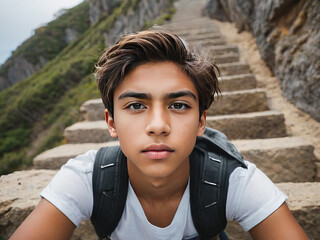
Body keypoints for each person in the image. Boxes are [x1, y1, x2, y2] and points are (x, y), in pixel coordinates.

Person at [10, 29, 308, 240]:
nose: (158, 125)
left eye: (178, 105)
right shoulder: (86, 178)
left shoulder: (233, 180)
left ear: (201, 121)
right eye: (136, 105)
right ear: (110, 122)